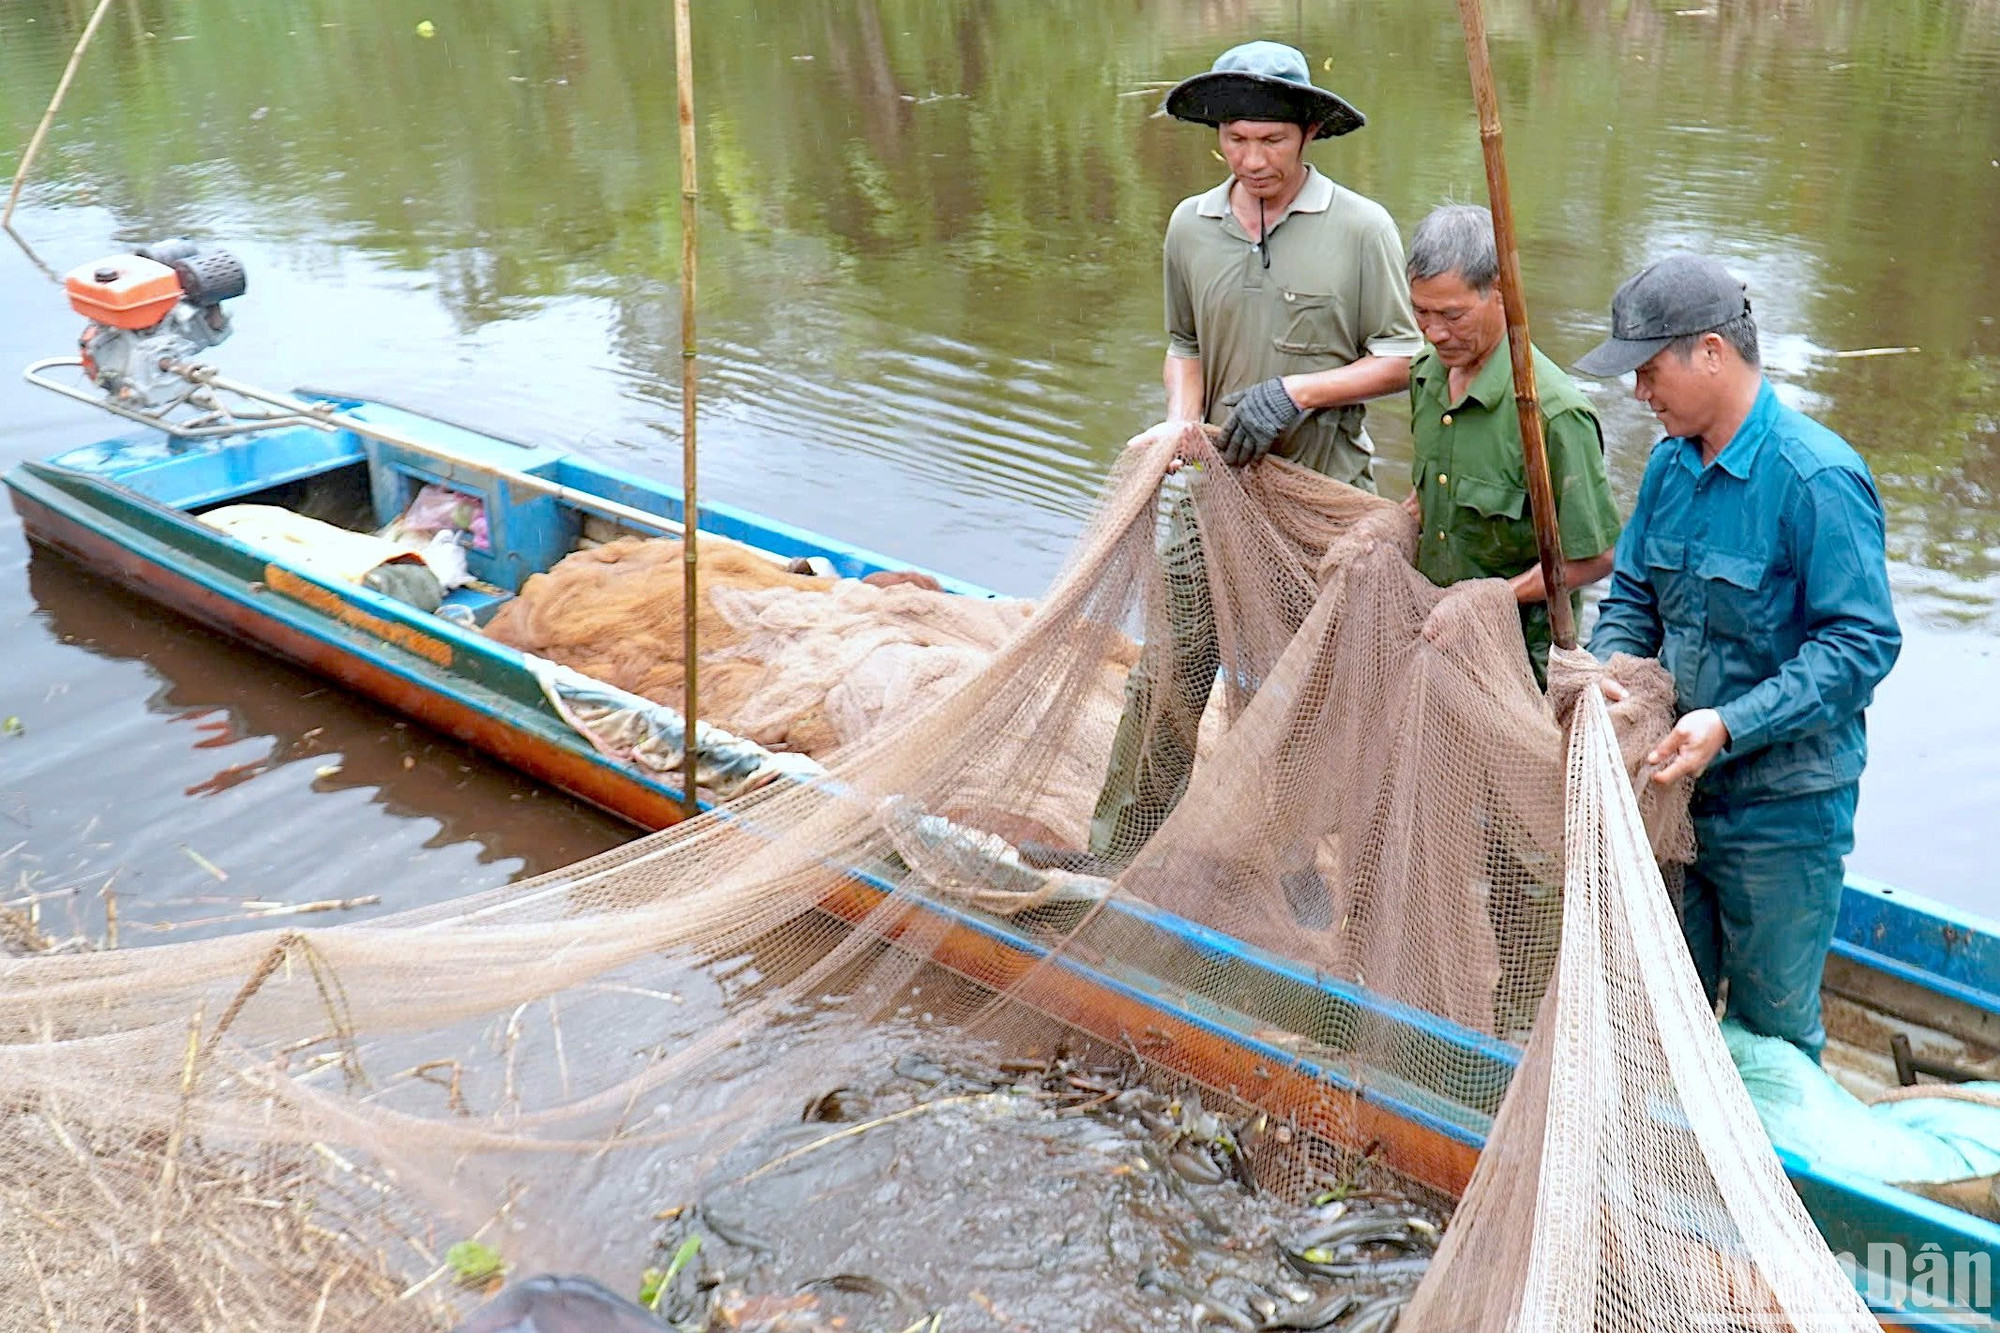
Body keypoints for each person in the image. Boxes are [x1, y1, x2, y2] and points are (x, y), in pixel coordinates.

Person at [1086, 41, 1423, 861]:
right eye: (1237, 139)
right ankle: (1117, 849)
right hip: (1216, 490)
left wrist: (1299, 392)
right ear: (1218, 139)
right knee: (1167, 671)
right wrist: (1179, 418)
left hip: (1322, 503)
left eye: (1272, 139)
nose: (1255, 158)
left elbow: (1409, 355)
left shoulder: (1360, 228)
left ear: (1308, 132)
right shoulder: (1189, 227)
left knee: (1301, 694)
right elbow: (1182, 341)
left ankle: (1293, 865)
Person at [1577, 253, 1901, 1061]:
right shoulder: (1666, 468)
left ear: (1712, 352)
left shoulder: (1816, 477)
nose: (1640, 393)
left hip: (1783, 813)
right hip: (1676, 793)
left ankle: (1779, 1182)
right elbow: (1632, 601)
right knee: (1661, 1012)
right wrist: (1614, 674)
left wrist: (1731, 720)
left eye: (1649, 372)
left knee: (1773, 1034)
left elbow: (1862, 644)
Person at [1402, 204, 1620, 686]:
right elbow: (1433, 494)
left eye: (1453, 315)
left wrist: (1494, 598)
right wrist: (1396, 522)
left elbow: (1596, 556)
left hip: (1515, 668)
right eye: (1421, 312)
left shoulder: (1554, 414)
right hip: (1430, 642)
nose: (1434, 332)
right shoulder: (1425, 375)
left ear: (1500, 292)